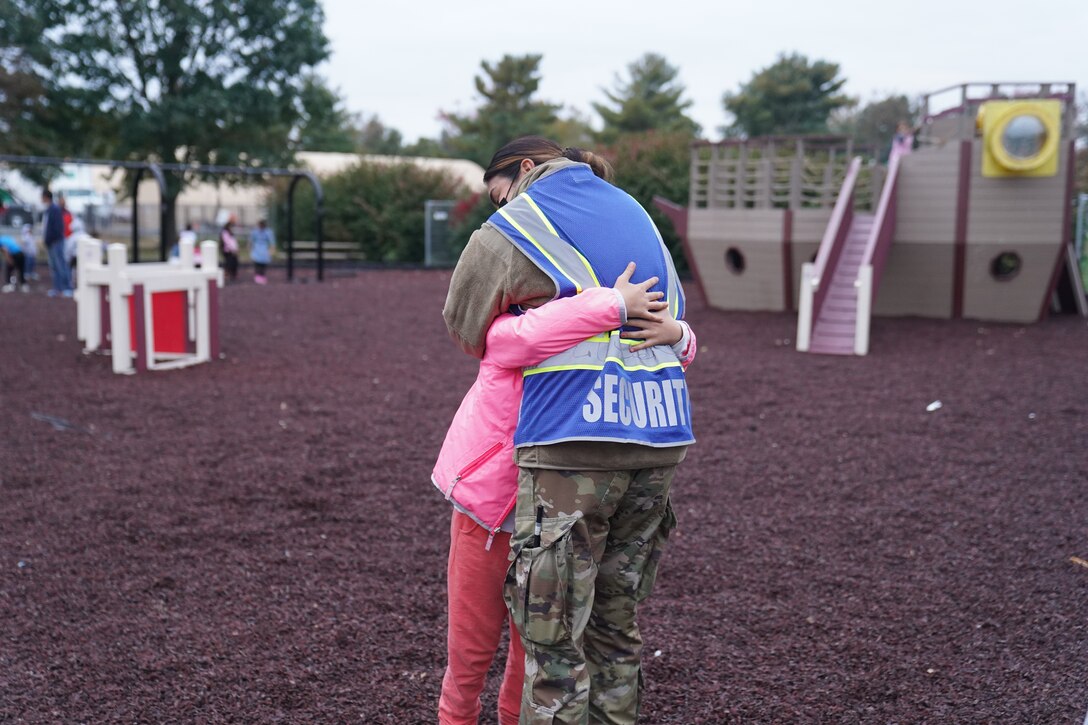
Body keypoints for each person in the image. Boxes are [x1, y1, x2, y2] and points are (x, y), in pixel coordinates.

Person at [443, 137, 694, 723]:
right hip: (656, 436)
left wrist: (605, 306)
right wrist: (675, 332)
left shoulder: (523, 225)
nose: (496, 208)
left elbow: (480, 330)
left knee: (548, 645)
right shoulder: (638, 219)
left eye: (498, 193)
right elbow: (670, 331)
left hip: (566, 451)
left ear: (525, 171)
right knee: (612, 631)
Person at [41, 190, 71, 297]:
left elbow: (58, 228)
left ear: (46, 197)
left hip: (56, 241)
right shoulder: (49, 210)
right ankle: (57, 288)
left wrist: (50, 239)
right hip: (51, 242)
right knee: (54, 266)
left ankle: (67, 287)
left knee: (61, 265)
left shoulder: (54, 209)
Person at [249, 219, 275, 284]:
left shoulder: (268, 232)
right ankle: (257, 276)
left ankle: (262, 276)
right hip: (257, 249)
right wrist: (250, 249)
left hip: (264, 249)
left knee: (263, 264)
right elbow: (251, 241)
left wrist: (271, 250)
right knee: (257, 263)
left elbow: (272, 242)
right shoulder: (255, 232)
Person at [220, 215, 239, 282]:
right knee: (228, 263)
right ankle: (226, 275)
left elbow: (233, 242)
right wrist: (232, 249)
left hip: (232, 250)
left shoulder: (231, 233)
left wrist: (235, 248)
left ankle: (232, 275)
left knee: (233, 263)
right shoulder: (225, 232)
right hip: (228, 250)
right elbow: (227, 242)